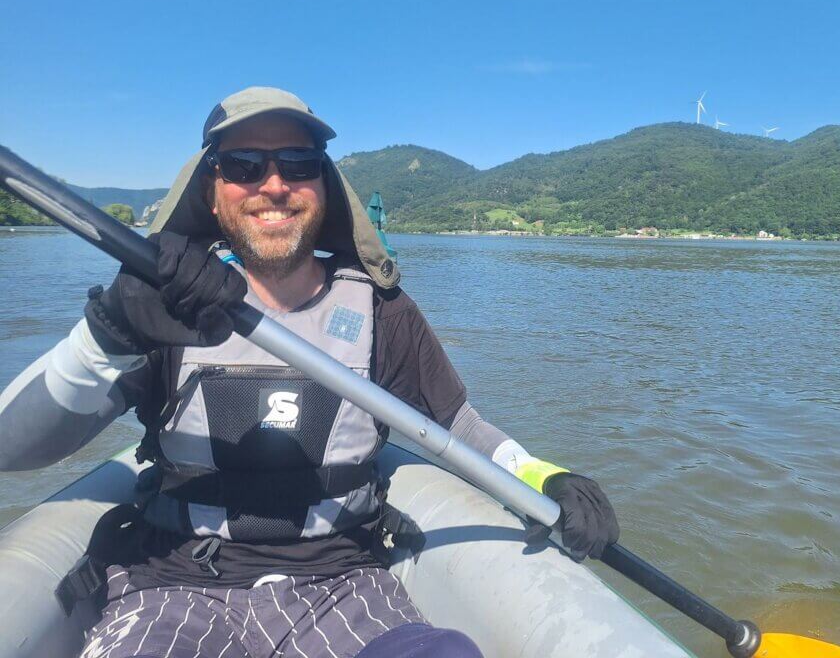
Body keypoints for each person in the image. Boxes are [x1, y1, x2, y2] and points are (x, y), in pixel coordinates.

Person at [0, 86, 620, 658]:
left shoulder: (383, 312)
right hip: (174, 580)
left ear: (323, 186)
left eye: (297, 163)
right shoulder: (156, 306)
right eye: (244, 165)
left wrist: (548, 476)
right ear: (211, 192)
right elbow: (13, 448)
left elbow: (459, 424)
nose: (273, 184)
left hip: (344, 583)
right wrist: (105, 334)